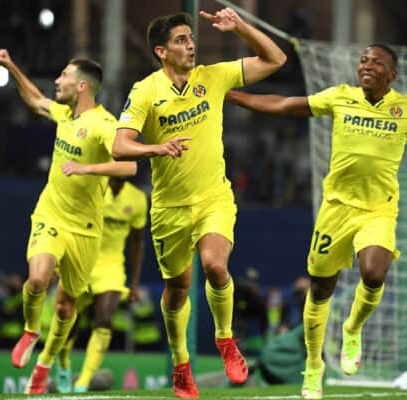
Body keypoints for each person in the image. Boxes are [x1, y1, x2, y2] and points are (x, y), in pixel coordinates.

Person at [225, 44, 407, 399]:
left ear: (391, 75)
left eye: (376, 62)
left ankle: (352, 328)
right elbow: (284, 106)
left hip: (378, 210)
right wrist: (231, 95)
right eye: (363, 60)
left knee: (374, 273)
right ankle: (314, 367)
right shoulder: (340, 97)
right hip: (336, 210)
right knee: (320, 290)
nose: (366, 65)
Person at [112, 7, 286, 399]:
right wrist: (157, 147)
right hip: (169, 210)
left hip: (213, 198)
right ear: (161, 51)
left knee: (214, 265)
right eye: (180, 41)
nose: (191, 46)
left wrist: (241, 27)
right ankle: (180, 364)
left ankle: (226, 339)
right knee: (176, 290)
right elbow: (119, 145)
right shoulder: (145, 91)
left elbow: (276, 59)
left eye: (191, 39)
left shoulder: (214, 76)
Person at [0, 48, 152, 394]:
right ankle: (31, 331)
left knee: (67, 307)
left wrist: (86, 168)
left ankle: (47, 364)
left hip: (86, 231)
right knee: (37, 280)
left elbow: (128, 166)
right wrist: (11, 65)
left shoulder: (103, 124)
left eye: (64, 75)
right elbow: (35, 100)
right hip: (50, 215)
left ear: (81, 86)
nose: (57, 80)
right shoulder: (65, 114)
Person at [53, 175, 148, 393]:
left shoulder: (137, 198)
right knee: (69, 319)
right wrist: (61, 263)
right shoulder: (93, 187)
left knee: (104, 318)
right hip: (84, 260)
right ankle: (64, 364)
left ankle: (83, 382)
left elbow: (136, 241)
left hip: (112, 266)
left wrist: (134, 282)